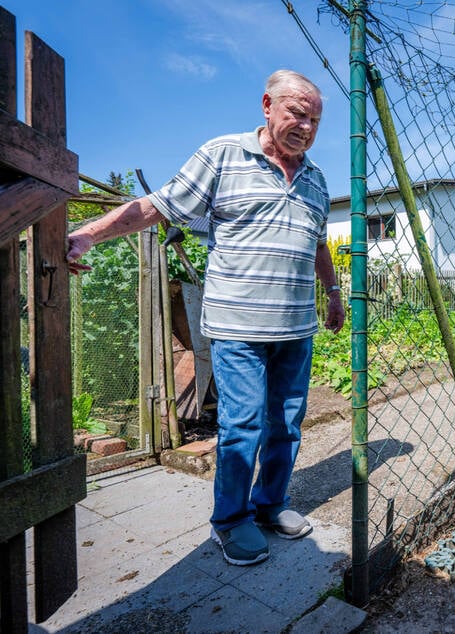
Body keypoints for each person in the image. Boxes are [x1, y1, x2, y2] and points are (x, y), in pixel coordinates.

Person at [66, 69, 346, 566]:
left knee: (286, 423)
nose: (306, 125)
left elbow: (318, 243)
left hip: (295, 330)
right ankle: (230, 521)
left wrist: (332, 292)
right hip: (238, 330)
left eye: (315, 119)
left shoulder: (317, 180)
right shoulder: (223, 155)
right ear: (267, 105)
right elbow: (159, 206)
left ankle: (270, 505)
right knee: (243, 427)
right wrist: (89, 234)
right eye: (297, 113)